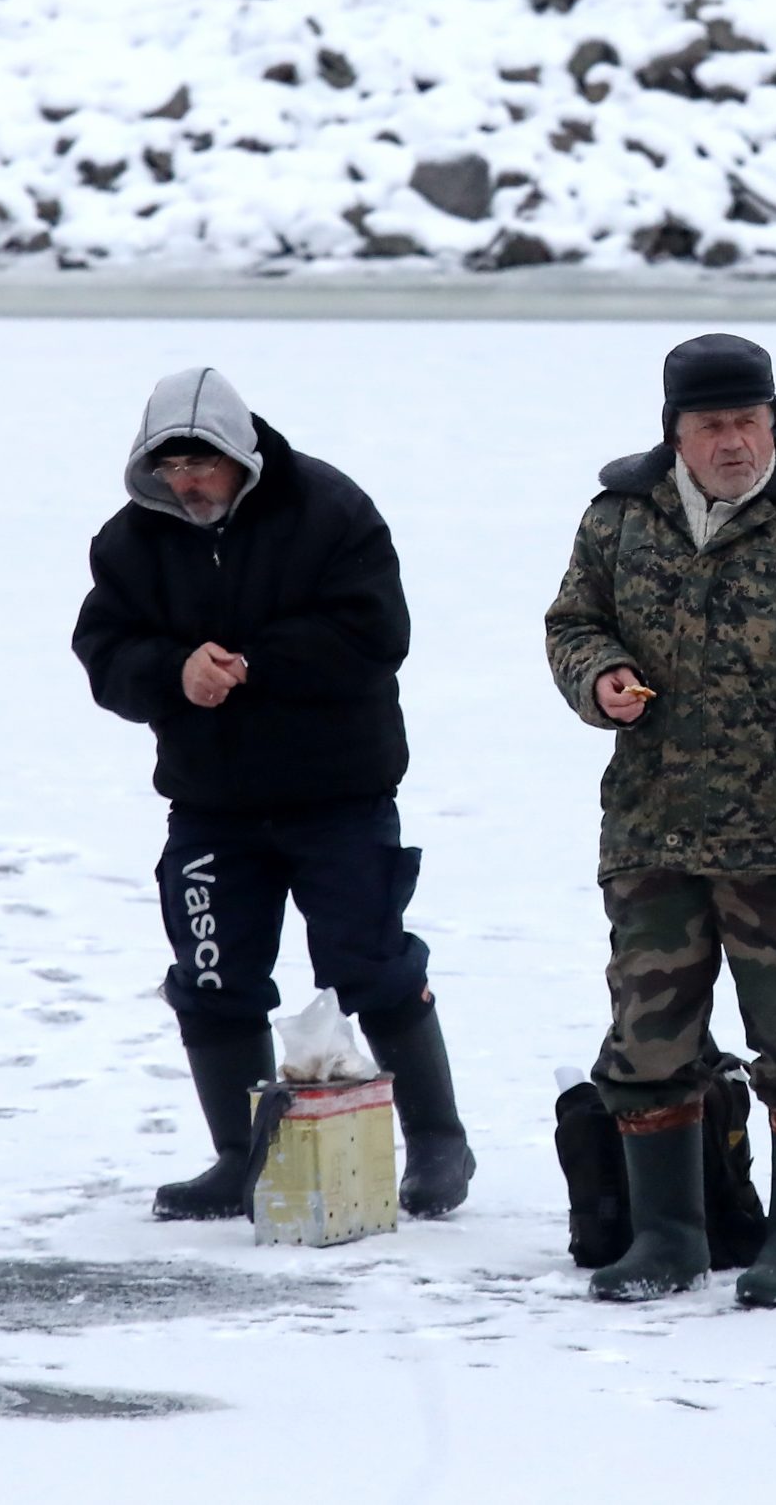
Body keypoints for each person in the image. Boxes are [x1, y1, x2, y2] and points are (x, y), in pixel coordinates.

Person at [544, 334, 776, 1307]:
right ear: (674, 430)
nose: (734, 442)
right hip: (650, 826)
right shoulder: (618, 520)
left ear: (774, 421)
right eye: (712, 425)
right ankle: (667, 1234)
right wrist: (599, 679)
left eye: (748, 421)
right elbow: (573, 622)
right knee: (648, 1034)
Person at [72, 367, 474, 1222]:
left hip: (339, 794)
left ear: (241, 455)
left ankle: (440, 1142)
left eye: (203, 463)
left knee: (370, 965)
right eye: (170, 467)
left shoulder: (331, 509)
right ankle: (239, 1156)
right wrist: (173, 671)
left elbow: (376, 633)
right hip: (211, 804)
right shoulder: (128, 543)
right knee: (212, 977)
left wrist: (252, 664)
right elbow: (105, 651)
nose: (188, 482)